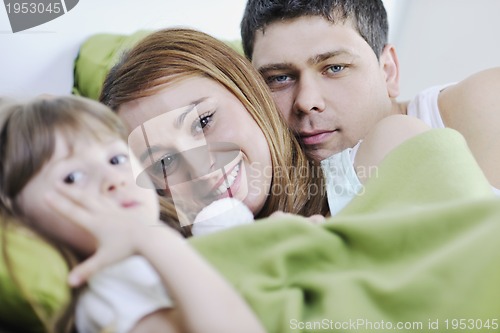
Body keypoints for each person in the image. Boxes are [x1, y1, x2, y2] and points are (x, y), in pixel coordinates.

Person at [0, 96, 266, 333]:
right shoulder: (105, 297)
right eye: (72, 177)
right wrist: (153, 240)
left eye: (116, 160)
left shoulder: (169, 244)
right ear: (20, 216)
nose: (113, 179)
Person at [240, 0, 500, 195]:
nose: (306, 102)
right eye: (279, 78)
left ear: (388, 71)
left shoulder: (482, 104)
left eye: (335, 68)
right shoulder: (266, 186)